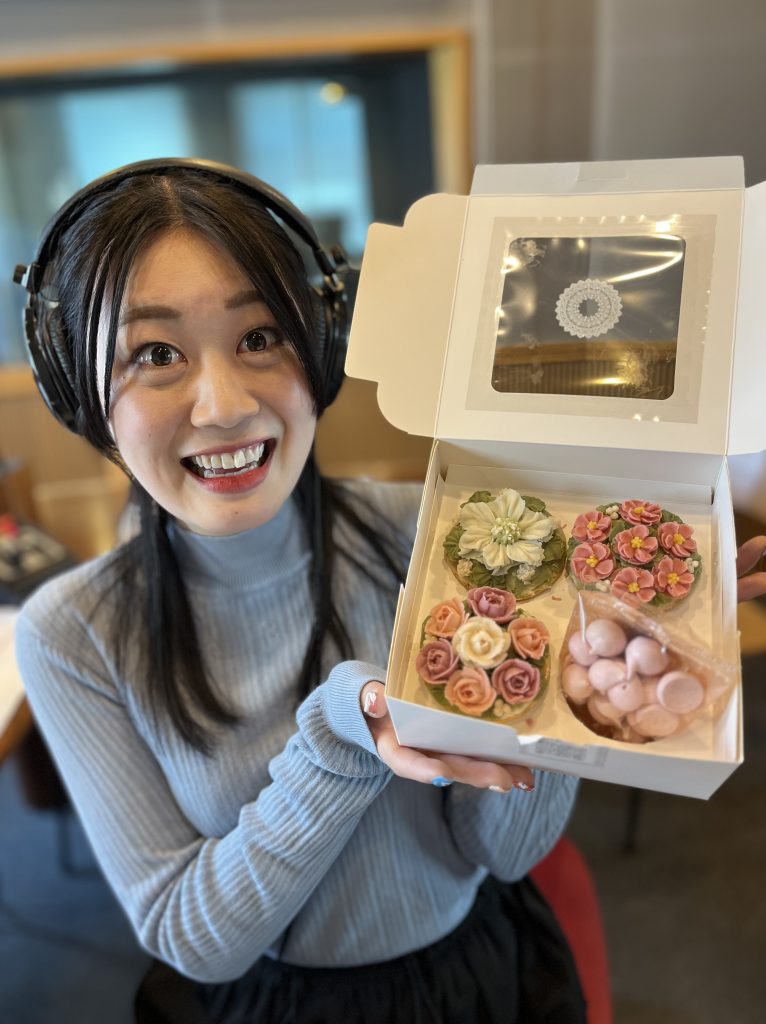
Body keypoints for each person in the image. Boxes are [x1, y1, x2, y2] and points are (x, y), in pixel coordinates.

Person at [12, 160, 584, 1023]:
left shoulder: (442, 533)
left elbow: (503, 852)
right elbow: (193, 937)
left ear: (319, 352)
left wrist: (556, 685)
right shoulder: (73, 632)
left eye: (259, 337)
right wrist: (343, 733)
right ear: (82, 395)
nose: (223, 405)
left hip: (478, 975)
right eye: (156, 354)